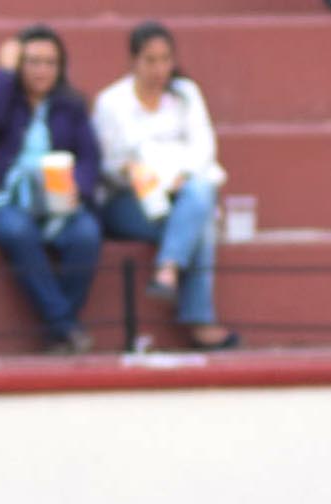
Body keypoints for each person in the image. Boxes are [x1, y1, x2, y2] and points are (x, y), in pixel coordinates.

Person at [94, 23, 237, 351]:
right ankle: (200, 321)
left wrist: (180, 176)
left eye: (165, 59)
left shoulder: (186, 94)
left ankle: (168, 268)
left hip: (183, 192)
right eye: (150, 60)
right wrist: (135, 172)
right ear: (133, 61)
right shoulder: (111, 102)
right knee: (198, 221)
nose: (159, 69)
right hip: (130, 201)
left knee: (199, 194)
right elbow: (107, 165)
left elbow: (204, 150)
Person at [0, 29, 103, 353]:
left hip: (60, 199)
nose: (41, 70)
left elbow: (90, 157)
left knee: (86, 233)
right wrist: (4, 72)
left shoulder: (71, 107)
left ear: (60, 67)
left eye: (49, 62)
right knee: (17, 231)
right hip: (8, 200)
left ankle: (60, 331)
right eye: (32, 62)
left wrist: (80, 188)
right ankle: (65, 326)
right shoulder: (7, 101)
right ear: (20, 65)